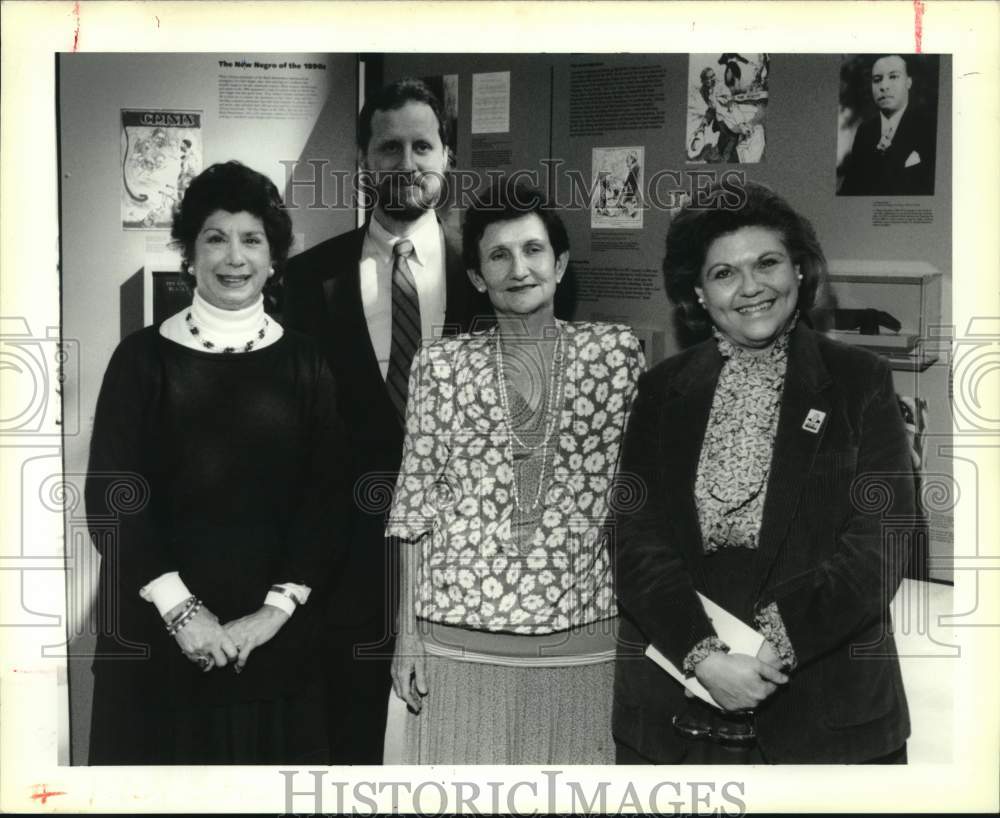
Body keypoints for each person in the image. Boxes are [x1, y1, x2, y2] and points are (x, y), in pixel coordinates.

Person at [613, 182, 916, 764]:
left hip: (827, 708)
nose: (750, 287)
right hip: (682, 707)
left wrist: (775, 646)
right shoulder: (659, 390)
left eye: (768, 263)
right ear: (699, 294)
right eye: (724, 273)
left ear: (800, 272)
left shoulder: (860, 381)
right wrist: (703, 655)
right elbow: (635, 537)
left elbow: (881, 542)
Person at [85, 161, 350, 764]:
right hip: (158, 648)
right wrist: (185, 615)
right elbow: (112, 502)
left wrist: (270, 615)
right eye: (216, 237)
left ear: (275, 257)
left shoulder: (308, 364)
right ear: (189, 252)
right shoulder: (140, 360)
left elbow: (328, 502)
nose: (235, 257)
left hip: (274, 650)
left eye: (252, 239)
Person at [386, 179, 644, 764]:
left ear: (561, 264)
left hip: (588, 636)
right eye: (498, 255)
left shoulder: (616, 355)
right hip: (456, 639)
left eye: (532, 250)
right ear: (477, 277)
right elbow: (414, 508)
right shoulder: (440, 365)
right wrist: (407, 635)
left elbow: (641, 502)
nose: (518, 268)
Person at [282, 78, 489, 763]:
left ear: (448, 156)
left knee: (462, 758)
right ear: (365, 161)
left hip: (467, 569)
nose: (406, 163)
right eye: (388, 147)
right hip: (342, 576)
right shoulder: (309, 282)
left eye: (421, 145)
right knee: (348, 755)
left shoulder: (492, 278)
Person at [839, 54, 936, 195]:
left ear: (908, 82)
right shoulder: (865, 131)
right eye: (877, 80)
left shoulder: (929, 127)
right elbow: (849, 189)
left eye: (893, 77)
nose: (884, 86)